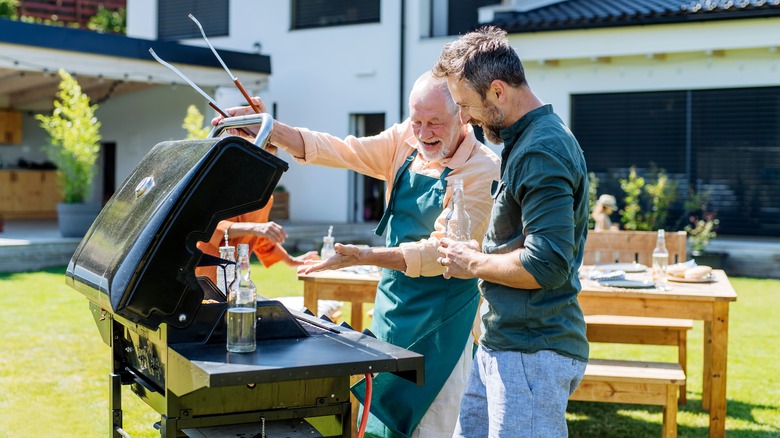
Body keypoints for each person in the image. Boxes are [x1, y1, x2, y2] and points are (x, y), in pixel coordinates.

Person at [214, 71, 500, 438]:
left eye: (434, 123)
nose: (423, 132)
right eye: (416, 121)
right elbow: (342, 149)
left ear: (463, 114)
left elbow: (439, 253)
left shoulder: (482, 168)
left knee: (431, 425)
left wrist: (365, 255)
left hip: (443, 317)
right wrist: (267, 128)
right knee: (377, 420)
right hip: (393, 305)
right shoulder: (405, 140)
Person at [432, 26, 590, 437]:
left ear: (498, 91)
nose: (463, 118)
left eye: (466, 105)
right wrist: (478, 250)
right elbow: (525, 243)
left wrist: (473, 261)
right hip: (503, 342)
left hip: (531, 350)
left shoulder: (541, 149)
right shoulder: (526, 141)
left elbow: (547, 264)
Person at [195, 193, 318, 284]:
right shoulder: (224, 188)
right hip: (203, 273)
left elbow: (261, 236)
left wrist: (291, 261)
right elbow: (209, 227)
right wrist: (254, 227)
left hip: (234, 278)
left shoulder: (266, 198)